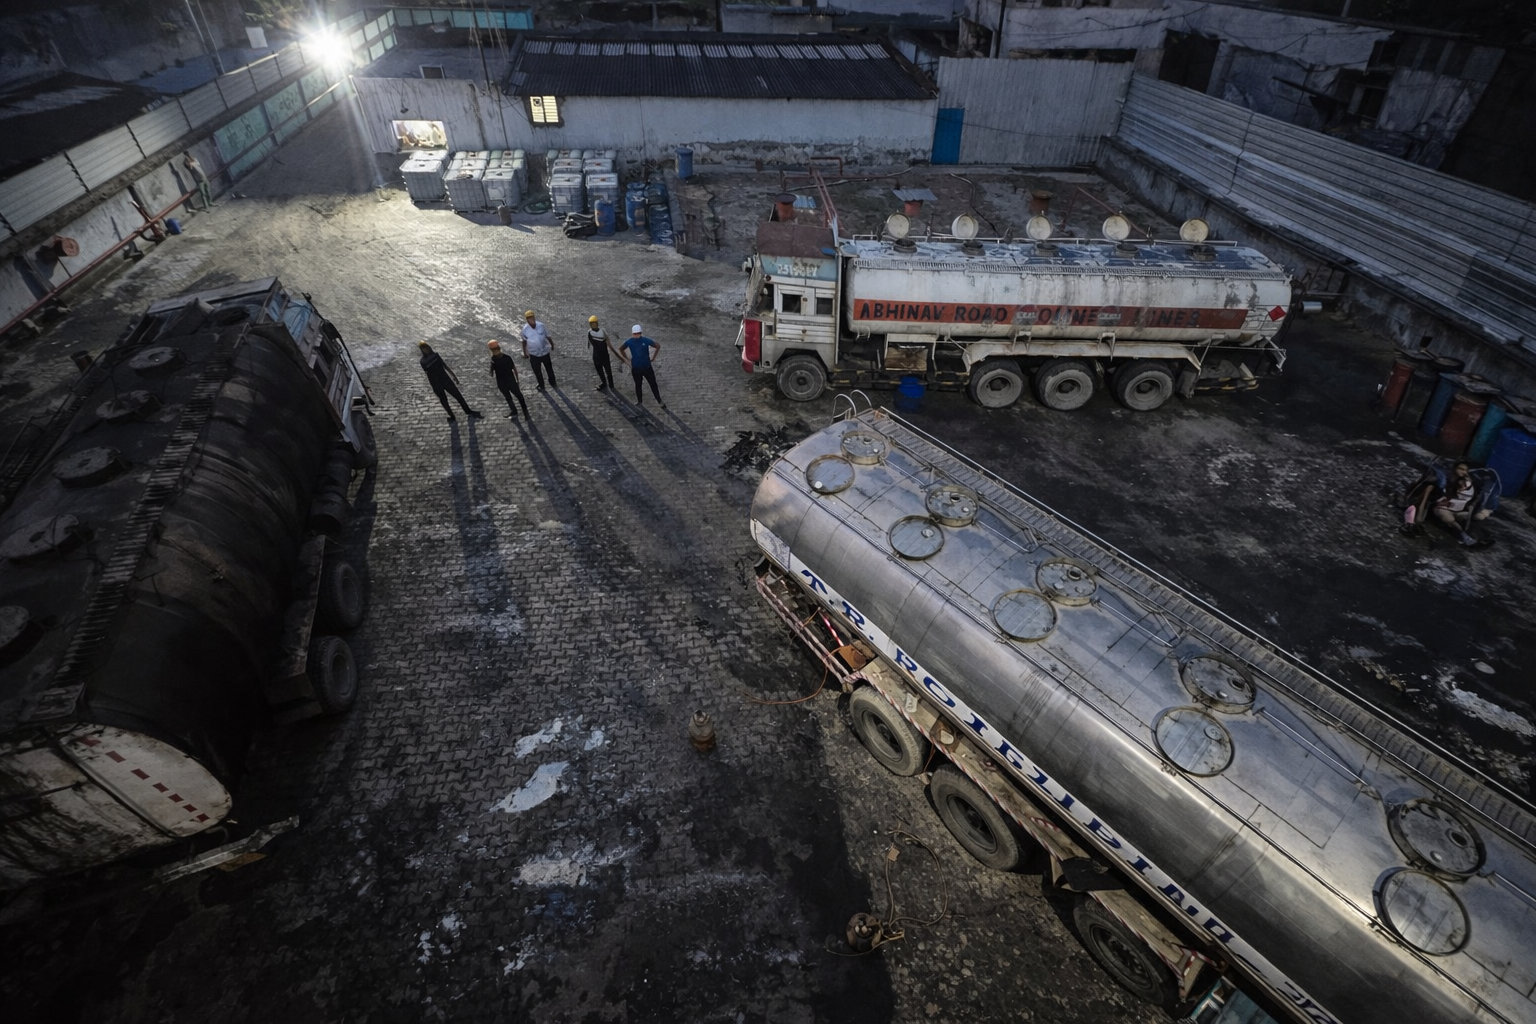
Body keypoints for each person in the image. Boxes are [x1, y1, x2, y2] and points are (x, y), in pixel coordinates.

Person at [1401, 459, 1501, 547]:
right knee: (1447, 516)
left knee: (1470, 516)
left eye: (1465, 470)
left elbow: (1490, 483)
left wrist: (1481, 509)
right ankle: (1463, 535)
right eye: (1460, 469)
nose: (1463, 472)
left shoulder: (1470, 482)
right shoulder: (1443, 480)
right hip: (1443, 507)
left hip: (1460, 507)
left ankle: (1465, 533)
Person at [417, 341, 482, 421]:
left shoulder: (436, 356)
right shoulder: (423, 362)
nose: (426, 350)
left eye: (426, 347)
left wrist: (454, 376)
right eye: (423, 349)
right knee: (444, 401)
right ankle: (451, 416)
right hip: (436, 384)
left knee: (458, 396)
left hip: (445, 379)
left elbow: (444, 366)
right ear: (421, 350)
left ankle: (468, 411)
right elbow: (427, 373)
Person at [618, 324, 665, 408]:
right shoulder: (645, 340)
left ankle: (640, 401)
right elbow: (658, 346)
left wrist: (627, 359)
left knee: (639, 385)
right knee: (651, 384)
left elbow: (621, 349)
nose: (637, 335)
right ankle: (659, 401)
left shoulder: (629, 341)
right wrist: (653, 358)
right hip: (646, 367)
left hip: (637, 368)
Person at [487, 340, 529, 420]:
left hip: (502, 382)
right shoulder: (506, 357)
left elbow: (491, 373)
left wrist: (491, 370)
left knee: (509, 397)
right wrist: (517, 380)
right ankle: (524, 413)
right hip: (510, 381)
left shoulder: (493, 359)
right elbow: (514, 369)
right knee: (519, 397)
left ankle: (514, 411)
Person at [520, 309, 557, 391]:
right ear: (527, 319)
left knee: (549, 368)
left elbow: (548, 335)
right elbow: (524, 341)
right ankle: (541, 385)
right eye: (529, 318)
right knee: (537, 371)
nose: (531, 319)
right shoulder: (525, 329)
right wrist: (525, 352)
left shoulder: (541, 326)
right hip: (534, 354)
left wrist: (552, 344)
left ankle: (553, 382)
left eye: (532, 317)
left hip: (544, 352)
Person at [586, 315, 616, 391]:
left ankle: (611, 384)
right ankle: (604, 382)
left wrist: (611, 348)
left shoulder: (602, 331)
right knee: (599, 370)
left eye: (594, 323)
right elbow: (591, 343)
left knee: (608, 370)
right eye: (592, 324)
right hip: (596, 355)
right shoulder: (590, 332)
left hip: (604, 354)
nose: (593, 325)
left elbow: (607, 340)